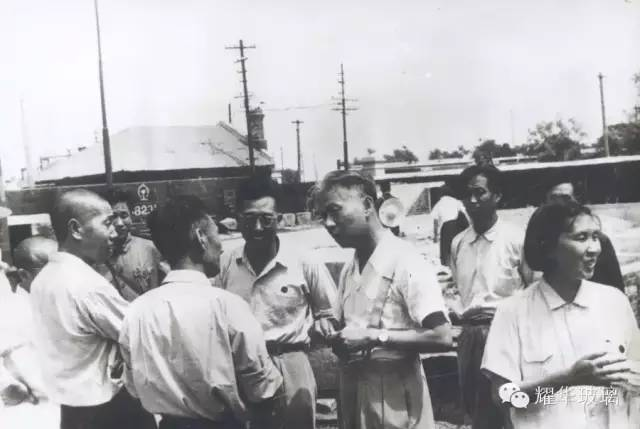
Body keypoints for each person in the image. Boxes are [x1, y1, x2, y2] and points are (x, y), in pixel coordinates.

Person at [120, 195, 283, 429]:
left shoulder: (136, 311)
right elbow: (262, 389)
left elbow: (133, 387)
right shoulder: (228, 306)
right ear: (201, 238)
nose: (222, 246)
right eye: (217, 234)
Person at [482, 200, 640, 428]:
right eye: (581, 238)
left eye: (595, 237)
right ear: (548, 246)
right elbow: (502, 398)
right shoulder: (513, 312)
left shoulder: (614, 301)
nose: (594, 248)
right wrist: (567, 379)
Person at [316, 170, 453, 429]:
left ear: (368, 205)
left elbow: (442, 336)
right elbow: (345, 324)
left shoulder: (406, 261)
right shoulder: (351, 267)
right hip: (355, 388)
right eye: (322, 216)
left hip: (395, 395)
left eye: (335, 211)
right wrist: (329, 330)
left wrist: (373, 337)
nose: (328, 224)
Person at [215, 175, 337, 429]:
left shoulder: (304, 260)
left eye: (267, 219)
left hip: (290, 364)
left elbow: (330, 312)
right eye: (249, 219)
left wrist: (324, 325)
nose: (258, 227)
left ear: (279, 219)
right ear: (237, 220)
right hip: (241, 369)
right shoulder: (226, 263)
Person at [29, 189, 156, 429]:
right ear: (76, 229)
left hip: (71, 410)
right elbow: (140, 335)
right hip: (110, 411)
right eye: (107, 223)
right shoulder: (87, 284)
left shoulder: (43, 280)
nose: (114, 231)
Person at [449, 164, 533, 429]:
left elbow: (533, 290)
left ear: (497, 196)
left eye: (479, 192)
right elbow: (457, 289)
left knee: (511, 409)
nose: (472, 200)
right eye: (467, 194)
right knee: (476, 412)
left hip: (506, 333)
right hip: (469, 337)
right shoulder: (458, 242)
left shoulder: (516, 239)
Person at [545, 181, 625, 291]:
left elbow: (615, 285)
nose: (559, 203)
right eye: (553, 198)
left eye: (566, 198)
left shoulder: (599, 241)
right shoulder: (538, 240)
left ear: (575, 201)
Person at [102, 189, 167, 301]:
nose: (119, 223)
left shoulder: (150, 248)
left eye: (124, 215)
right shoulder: (98, 253)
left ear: (131, 217)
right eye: (113, 217)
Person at [431, 183, 468, 266]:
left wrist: (435, 235)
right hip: (457, 226)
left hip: (446, 227)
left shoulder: (439, 203)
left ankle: (448, 265)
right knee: (457, 246)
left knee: (446, 248)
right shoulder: (456, 201)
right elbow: (465, 213)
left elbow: (435, 221)